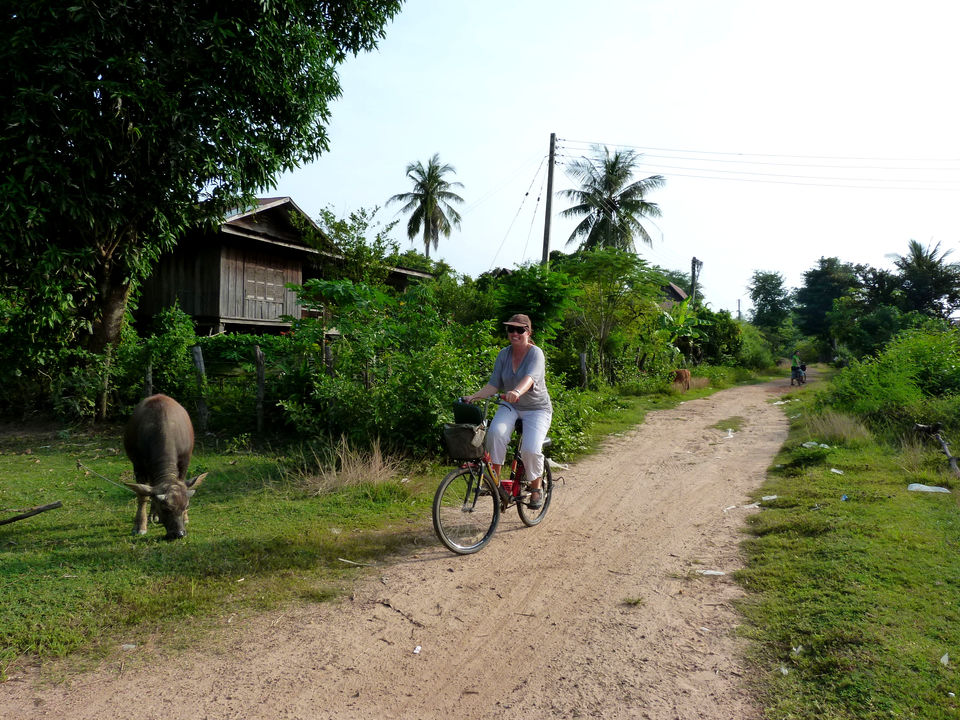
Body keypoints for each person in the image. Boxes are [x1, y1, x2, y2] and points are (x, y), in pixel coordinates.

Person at [463, 313, 552, 509]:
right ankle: (495, 483)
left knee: (530, 449)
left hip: (536, 409)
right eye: (510, 329)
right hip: (510, 405)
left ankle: (536, 489)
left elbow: (530, 378)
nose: (514, 333)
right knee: (495, 433)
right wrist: (474, 396)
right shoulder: (504, 354)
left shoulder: (536, 353)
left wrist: (516, 391)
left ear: (528, 332)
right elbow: (494, 385)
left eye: (519, 330)